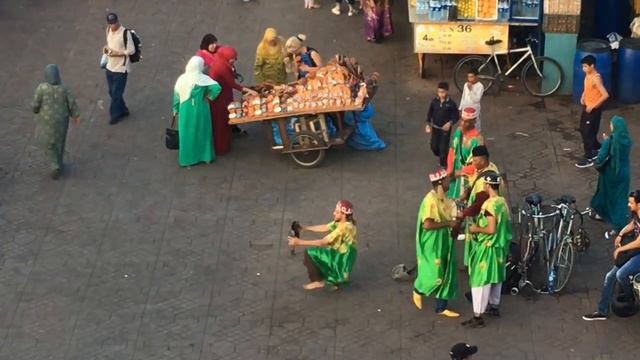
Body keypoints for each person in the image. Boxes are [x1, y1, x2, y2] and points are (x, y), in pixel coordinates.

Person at [463, 172, 511, 328]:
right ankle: (494, 306)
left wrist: (476, 228)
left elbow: (490, 229)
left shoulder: (490, 205)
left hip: (488, 247)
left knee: (480, 280)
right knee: (496, 277)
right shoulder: (502, 202)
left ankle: (478, 315)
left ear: (488, 186)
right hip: (500, 247)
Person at [583, 190, 640, 321]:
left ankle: (629, 296)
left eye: (631, 203)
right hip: (636, 250)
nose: (628, 205)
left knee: (621, 274)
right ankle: (602, 311)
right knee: (610, 277)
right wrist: (621, 234)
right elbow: (633, 224)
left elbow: (638, 243)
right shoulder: (636, 212)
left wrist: (620, 250)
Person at [412, 168, 460, 318]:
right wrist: (448, 224)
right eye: (447, 180)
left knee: (447, 272)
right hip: (433, 243)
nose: (449, 183)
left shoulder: (443, 197)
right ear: (440, 182)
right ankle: (418, 289)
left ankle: (441, 307)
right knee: (434, 273)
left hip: (444, 241)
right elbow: (427, 224)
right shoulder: (430, 201)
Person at [287, 200, 358, 290]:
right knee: (311, 254)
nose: (333, 213)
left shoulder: (344, 228)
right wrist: (304, 228)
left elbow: (322, 242)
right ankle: (322, 280)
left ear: (343, 214)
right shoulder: (341, 221)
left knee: (339, 276)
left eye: (336, 212)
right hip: (338, 250)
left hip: (344, 255)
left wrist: (299, 242)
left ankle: (321, 282)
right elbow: (326, 227)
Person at [31, 64, 80, 179]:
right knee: (60, 141)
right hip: (62, 120)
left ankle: (54, 164)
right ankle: (59, 161)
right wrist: (75, 116)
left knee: (49, 143)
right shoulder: (64, 89)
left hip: (47, 120)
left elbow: (36, 105)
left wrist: (35, 109)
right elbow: (71, 103)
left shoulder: (42, 88)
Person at [172, 57, 221, 167]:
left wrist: (175, 109)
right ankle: (206, 157)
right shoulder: (203, 79)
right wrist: (209, 97)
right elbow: (217, 88)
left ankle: (188, 160)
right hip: (201, 109)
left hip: (186, 110)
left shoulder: (182, 79)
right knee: (203, 131)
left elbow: (176, 96)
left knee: (187, 134)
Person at [209, 46, 257, 156]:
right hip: (220, 97)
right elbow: (232, 84)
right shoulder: (221, 67)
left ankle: (225, 141)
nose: (233, 61)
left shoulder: (222, 62)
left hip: (224, 92)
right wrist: (248, 90)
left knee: (224, 119)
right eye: (232, 59)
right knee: (221, 121)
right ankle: (221, 147)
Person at [458, 145, 500, 267]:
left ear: (483, 160)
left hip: (483, 215)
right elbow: (473, 183)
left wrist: (464, 213)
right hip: (481, 209)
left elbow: (479, 204)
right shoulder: (489, 168)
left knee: (480, 240)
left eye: (475, 161)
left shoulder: (485, 180)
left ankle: (479, 264)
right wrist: (467, 192)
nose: (473, 163)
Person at [590, 116, 632, 233]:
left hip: (611, 173)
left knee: (606, 194)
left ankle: (611, 219)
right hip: (624, 172)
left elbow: (601, 157)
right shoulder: (627, 140)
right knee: (620, 197)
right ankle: (620, 221)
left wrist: (606, 142)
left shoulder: (610, 141)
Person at [254, 28, 289, 148]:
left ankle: (285, 121)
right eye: (270, 41)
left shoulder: (282, 42)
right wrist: (261, 83)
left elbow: (288, 53)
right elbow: (257, 67)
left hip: (281, 77)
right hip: (269, 79)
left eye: (274, 40)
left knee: (284, 97)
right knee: (271, 102)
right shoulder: (261, 48)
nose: (273, 42)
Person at [576, 55, 609, 168]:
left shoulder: (596, 78)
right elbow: (587, 88)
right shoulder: (588, 75)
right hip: (587, 107)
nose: (583, 69)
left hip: (593, 110)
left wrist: (594, 106)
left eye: (585, 66)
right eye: (583, 66)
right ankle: (596, 148)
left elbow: (605, 95)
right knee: (583, 129)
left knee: (587, 132)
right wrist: (583, 95)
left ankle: (588, 157)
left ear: (592, 66)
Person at [103, 12, 135, 125]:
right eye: (111, 23)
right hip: (110, 66)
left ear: (117, 21)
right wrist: (106, 50)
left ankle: (114, 115)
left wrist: (118, 53)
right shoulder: (108, 31)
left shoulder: (125, 33)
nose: (113, 25)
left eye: (114, 22)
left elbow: (131, 50)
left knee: (116, 93)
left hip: (121, 69)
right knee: (112, 92)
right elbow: (109, 45)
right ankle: (124, 110)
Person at [447, 107, 484, 200]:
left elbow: (479, 164)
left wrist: (461, 172)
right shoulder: (458, 132)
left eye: (467, 121)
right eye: (462, 120)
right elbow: (452, 149)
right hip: (454, 177)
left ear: (474, 121)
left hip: (467, 179)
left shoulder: (478, 140)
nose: (463, 123)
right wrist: (450, 168)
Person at [344, 72, 386, 150]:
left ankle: (363, 143)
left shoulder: (362, 93)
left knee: (363, 131)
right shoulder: (366, 89)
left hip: (361, 115)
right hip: (362, 115)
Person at [426, 81, 459, 168]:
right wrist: (428, 124)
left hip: (445, 130)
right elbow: (429, 113)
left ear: (447, 92)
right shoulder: (434, 102)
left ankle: (444, 164)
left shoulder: (451, 104)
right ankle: (441, 156)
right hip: (435, 128)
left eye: (443, 92)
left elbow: (456, 116)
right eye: (439, 92)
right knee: (434, 146)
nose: (441, 94)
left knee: (443, 147)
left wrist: (450, 123)